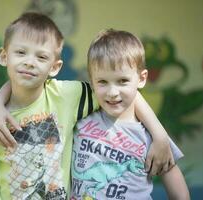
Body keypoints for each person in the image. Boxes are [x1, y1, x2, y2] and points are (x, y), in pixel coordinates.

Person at [0, 12, 173, 200]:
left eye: (41, 56)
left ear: (55, 67)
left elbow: (121, 90)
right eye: (21, 52)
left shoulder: (66, 96)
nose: (29, 62)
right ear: (4, 56)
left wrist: (160, 134)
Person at [70, 29, 190, 200]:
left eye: (122, 81)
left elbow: (178, 190)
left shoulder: (153, 137)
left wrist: (160, 136)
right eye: (102, 81)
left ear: (141, 79)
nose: (112, 92)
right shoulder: (79, 116)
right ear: (91, 81)